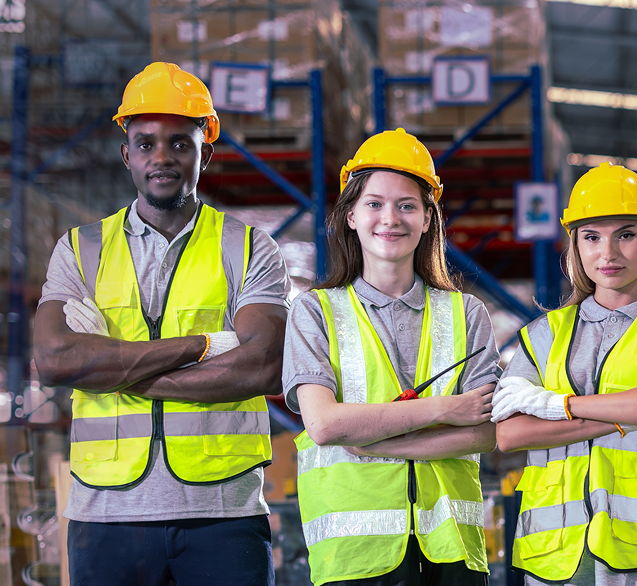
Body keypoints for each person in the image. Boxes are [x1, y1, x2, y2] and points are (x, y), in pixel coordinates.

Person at [32, 62, 290, 586]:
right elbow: (55, 360)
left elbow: (263, 366)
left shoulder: (248, 247)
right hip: (105, 515)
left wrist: (112, 369)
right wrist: (200, 345)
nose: (162, 157)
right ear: (126, 154)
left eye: (179, 143)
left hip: (223, 512)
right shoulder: (80, 249)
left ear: (204, 154)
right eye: (146, 143)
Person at [282, 128, 501, 585]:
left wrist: (375, 439)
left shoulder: (467, 313)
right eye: (374, 204)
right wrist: (445, 409)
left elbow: (486, 431)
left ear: (427, 219)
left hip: (452, 551)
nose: (390, 218)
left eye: (406, 205)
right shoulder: (315, 311)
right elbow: (324, 425)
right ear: (351, 216)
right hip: (355, 555)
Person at [493, 162, 637, 586]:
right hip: (556, 551)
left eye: (625, 235)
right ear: (575, 245)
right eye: (592, 237)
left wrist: (554, 406)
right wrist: (634, 409)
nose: (608, 253)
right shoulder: (543, 334)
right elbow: (510, 433)